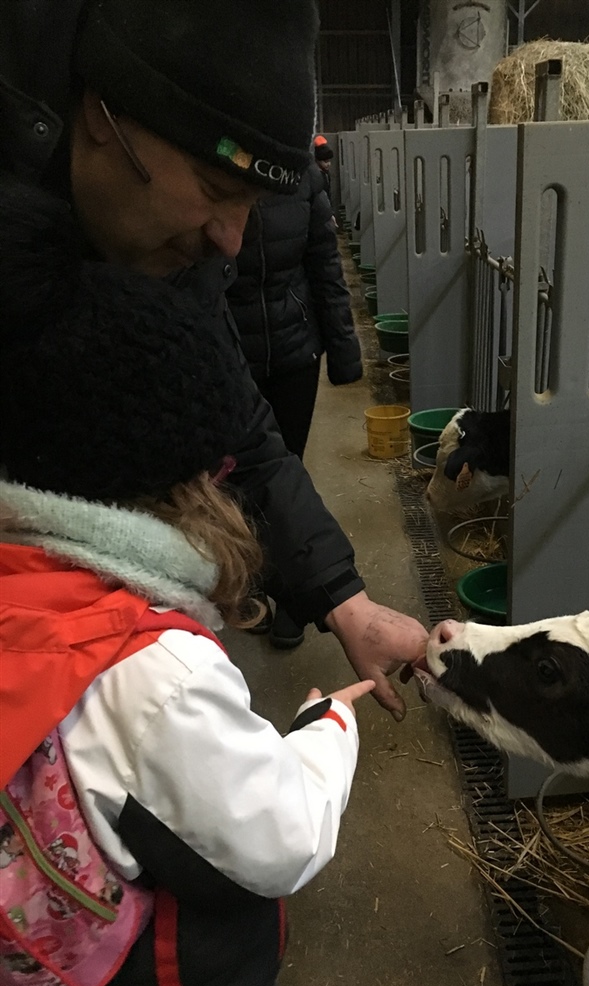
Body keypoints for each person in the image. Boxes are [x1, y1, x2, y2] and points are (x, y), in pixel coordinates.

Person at [0, 179, 374, 986]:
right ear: (184, 485)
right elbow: (280, 835)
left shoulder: (27, 587)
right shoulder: (152, 675)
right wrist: (328, 727)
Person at [0, 0, 427, 721]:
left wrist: (345, 601)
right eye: (217, 189)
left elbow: (234, 427)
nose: (231, 238)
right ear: (104, 114)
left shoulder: (167, 256)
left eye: (251, 204)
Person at [228, 161, 362, 648]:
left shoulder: (302, 176)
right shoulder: (218, 168)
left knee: (285, 466)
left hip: (294, 353)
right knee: (232, 479)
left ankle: (289, 595)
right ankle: (248, 577)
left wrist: (344, 352)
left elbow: (325, 265)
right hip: (229, 354)